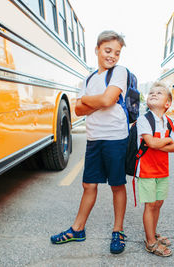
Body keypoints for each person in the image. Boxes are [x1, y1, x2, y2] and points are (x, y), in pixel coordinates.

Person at [50, 30, 129, 254]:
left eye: (117, 52)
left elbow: (107, 99)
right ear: (96, 49)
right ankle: (78, 229)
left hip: (115, 137)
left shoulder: (119, 72)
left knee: (116, 184)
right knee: (89, 185)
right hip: (94, 138)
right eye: (107, 50)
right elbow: (77, 109)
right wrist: (96, 101)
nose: (112, 56)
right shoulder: (87, 79)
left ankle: (118, 231)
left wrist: (87, 99)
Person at [135, 81, 174, 257]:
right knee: (150, 204)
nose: (153, 94)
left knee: (159, 203)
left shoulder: (168, 121)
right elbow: (151, 142)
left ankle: (152, 232)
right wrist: (167, 140)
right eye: (151, 93)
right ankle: (150, 242)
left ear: (167, 103)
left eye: (159, 93)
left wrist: (160, 144)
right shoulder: (144, 119)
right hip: (146, 170)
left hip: (162, 170)